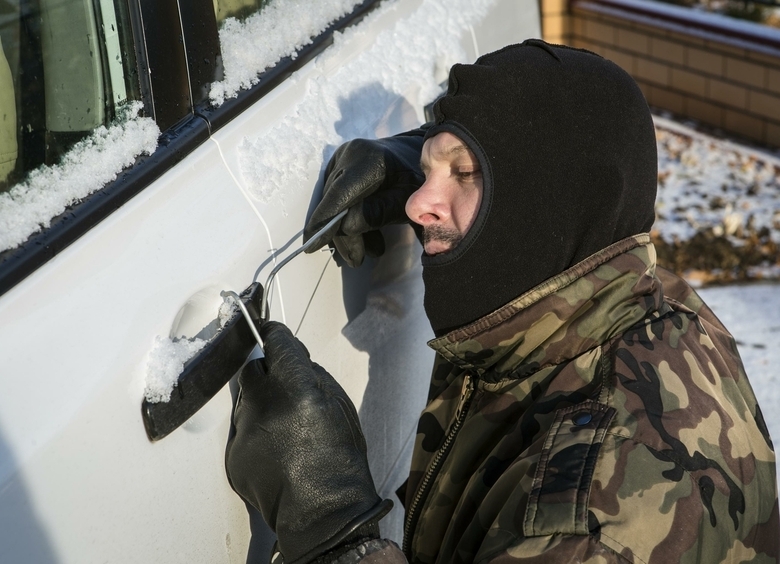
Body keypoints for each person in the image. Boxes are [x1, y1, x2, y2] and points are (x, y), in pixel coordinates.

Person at [224, 40, 780, 563]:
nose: (418, 205)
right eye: (425, 172)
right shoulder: (655, 305)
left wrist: (330, 529)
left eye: (465, 172)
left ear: (548, 209)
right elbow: (563, 154)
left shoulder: (586, 529)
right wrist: (429, 157)